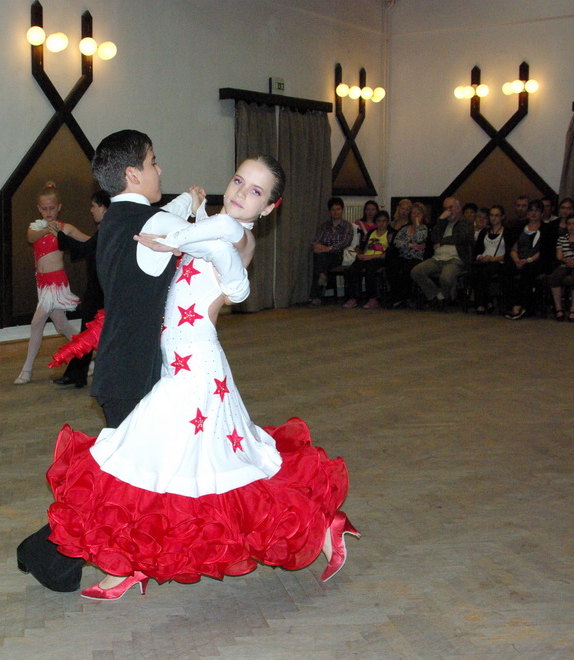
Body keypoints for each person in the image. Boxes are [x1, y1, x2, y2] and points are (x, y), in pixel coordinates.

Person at [47, 156, 356, 599]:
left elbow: (213, 244)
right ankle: (324, 526)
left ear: (269, 208)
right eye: (238, 180)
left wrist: (174, 233)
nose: (241, 192)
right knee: (208, 466)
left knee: (140, 450)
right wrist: (185, 213)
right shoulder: (210, 225)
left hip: (195, 368)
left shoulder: (238, 235)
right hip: (178, 362)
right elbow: (185, 238)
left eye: (255, 191)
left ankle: (127, 566)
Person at [17, 130, 220, 592]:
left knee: (131, 480)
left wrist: (186, 203)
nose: (160, 169)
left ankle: (64, 554)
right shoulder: (149, 223)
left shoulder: (116, 219)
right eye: (153, 162)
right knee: (122, 486)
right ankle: (46, 551)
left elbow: (167, 216)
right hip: (133, 376)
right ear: (132, 173)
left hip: (122, 370)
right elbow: (200, 234)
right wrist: (216, 208)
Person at [14, 182, 88, 385]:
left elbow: (88, 241)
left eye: (52, 208)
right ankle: (87, 360)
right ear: (39, 209)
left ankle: (27, 370)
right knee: (62, 325)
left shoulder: (65, 228)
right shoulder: (36, 227)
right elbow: (31, 237)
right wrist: (47, 229)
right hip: (42, 283)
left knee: (37, 323)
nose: (48, 212)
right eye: (44, 208)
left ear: (59, 207)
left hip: (56, 283)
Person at [52, 190, 110, 388]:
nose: (91, 210)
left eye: (94, 206)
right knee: (89, 332)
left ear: (103, 207)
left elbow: (85, 249)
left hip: (100, 291)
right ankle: (77, 374)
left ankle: (78, 375)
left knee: (89, 332)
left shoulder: (108, 229)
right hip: (99, 289)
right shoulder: (107, 228)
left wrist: (60, 236)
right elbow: (88, 249)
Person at [409, 197, 474, 309]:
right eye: (445, 208)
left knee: (446, 277)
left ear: (458, 208)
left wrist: (443, 242)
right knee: (416, 272)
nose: (448, 211)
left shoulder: (465, 222)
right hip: (437, 259)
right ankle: (439, 296)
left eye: (450, 208)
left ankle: (445, 298)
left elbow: (461, 237)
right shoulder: (443, 223)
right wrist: (441, 220)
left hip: (455, 259)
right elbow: (433, 238)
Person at [504, 200, 556, 320]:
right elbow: (513, 248)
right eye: (531, 210)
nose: (534, 213)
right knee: (506, 269)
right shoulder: (519, 227)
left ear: (542, 213)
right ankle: (510, 304)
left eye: (537, 210)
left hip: (538, 260)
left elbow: (545, 251)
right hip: (519, 258)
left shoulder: (548, 229)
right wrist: (516, 260)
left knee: (527, 271)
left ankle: (520, 306)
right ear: (527, 213)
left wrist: (528, 260)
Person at [309, 197, 354, 305]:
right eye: (333, 209)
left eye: (338, 209)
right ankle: (323, 275)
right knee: (319, 256)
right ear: (329, 211)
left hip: (337, 254)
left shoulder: (347, 226)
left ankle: (316, 296)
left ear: (342, 210)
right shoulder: (324, 226)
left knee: (320, 260)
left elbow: (345, 242)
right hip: (323, 254)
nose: (336, 212)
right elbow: (316, 240)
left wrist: (329, 248)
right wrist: (315, 247)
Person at [343, 210, 390, 309]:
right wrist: (359, 254)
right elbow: (363, 246)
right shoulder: (371, 233)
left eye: (384, 221)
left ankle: (373, 298)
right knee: (353, 268)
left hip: (379, 258)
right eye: (379, 221)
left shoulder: (390, 234)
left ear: (388, 222)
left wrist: (372, 257)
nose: (381, 223)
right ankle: (353, 298)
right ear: (376, 222)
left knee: (370, 268)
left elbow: (389, 254)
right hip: (366, 256)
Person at [386, 201, 429, 308]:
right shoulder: (405, 228)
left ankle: (402, 297)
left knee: (406, 269)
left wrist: (417, 225)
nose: (416, 216)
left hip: (416, 257)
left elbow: (419, 239)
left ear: (423, 215)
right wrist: (410, 245)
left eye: (419, 213)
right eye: (414, 213)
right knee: (392, 266)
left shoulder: (424, 228)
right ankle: (395, 296)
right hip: (402, 256)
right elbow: (396, 242)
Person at [469, 204, 507, 314]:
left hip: (499, 261)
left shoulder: (507, 232)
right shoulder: (484, 231)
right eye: (491, 215)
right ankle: (484, 301)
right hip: (484, 260)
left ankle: (482, 303)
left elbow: (509, 253)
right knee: (474, 271)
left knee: (485, 272)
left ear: (502, 217)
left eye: (497, 215)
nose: (494, 218)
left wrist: (494, 259)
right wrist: (480, 257)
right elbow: (476, 251)